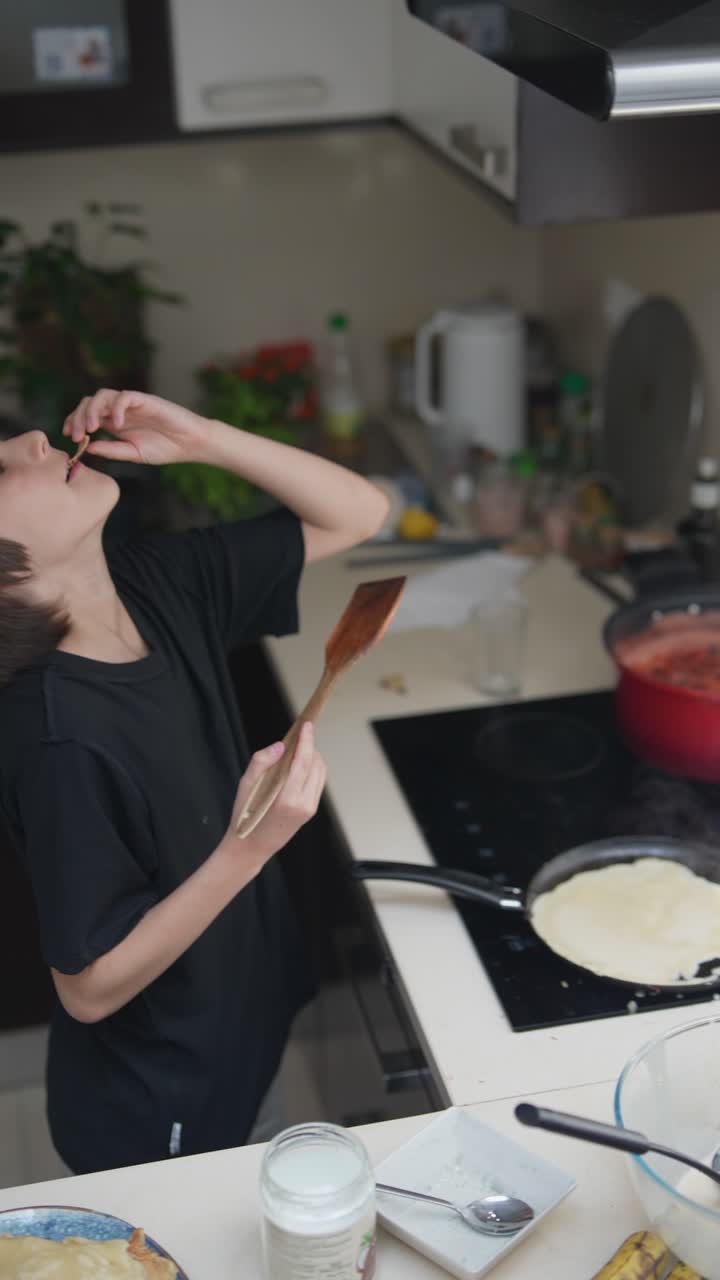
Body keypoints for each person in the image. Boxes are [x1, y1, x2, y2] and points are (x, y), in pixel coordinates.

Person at [0, 388, 389, 1174]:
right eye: (4, 469)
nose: (36, 441)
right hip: (159, 1098)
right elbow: (89, 987)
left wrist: (206, 437)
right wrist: (252, 847)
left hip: (238, 1021)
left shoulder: (151, 583)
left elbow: (356, 515)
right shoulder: (57, 738)